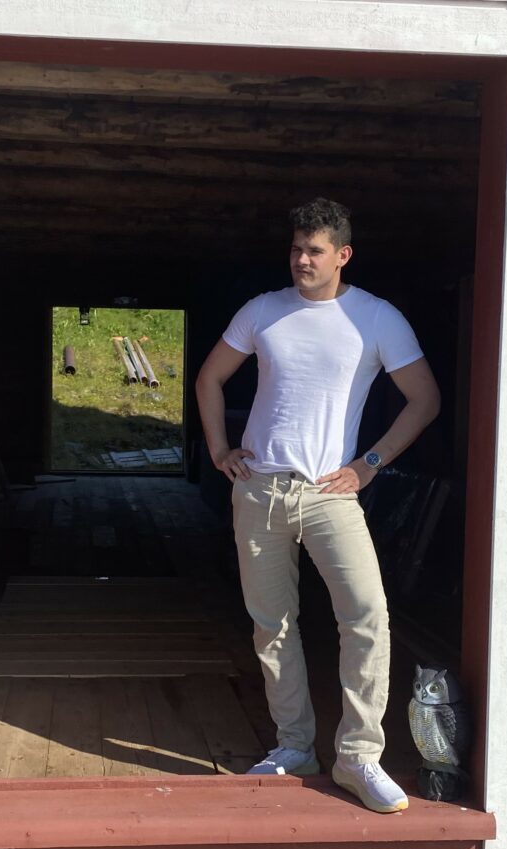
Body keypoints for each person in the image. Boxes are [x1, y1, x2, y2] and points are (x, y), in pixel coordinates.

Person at [195, 198, 440, 814]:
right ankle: (294, 747)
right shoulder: (263, 310)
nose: (302, 260)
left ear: (343, 255)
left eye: (315, 251)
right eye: (296, 249)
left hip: (331, 493)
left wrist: (369, 464)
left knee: (367, 617)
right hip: (259, 489)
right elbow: (208, 378)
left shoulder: (376, 318)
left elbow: (424, 399)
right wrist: (220, 449)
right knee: (272, 625)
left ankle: (358, 756)